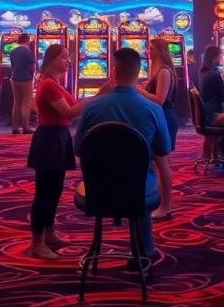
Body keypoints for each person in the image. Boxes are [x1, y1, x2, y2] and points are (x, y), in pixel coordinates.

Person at [74, 48, 171, 269]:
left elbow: (78, 148)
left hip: (96, 186)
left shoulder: (92, 107)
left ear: (114, 71)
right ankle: (145, 248)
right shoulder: (153, 109)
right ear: (140, 73)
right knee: (141, 177)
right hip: (139, 188)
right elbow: (163, 149)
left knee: (133, 177)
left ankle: (100, 247)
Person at [27, 43, 91, 259]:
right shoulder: (48, 85)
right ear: (52, 59)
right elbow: (70, 111)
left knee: (54, 190)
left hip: (59, 137)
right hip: (49, 139)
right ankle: (36, 243)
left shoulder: (55, 82)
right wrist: (99, 95)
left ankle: (49, 234)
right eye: (64, 57)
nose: (69, 61)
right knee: (44, 193)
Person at [137, 38, 178, 220]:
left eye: (152, 48)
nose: (148, 51)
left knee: (162, 163)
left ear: (161, 51)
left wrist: (139, 91)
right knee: (158, 163)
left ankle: (166, 206)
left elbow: (160, 100)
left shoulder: (163, 71)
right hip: (158, 117)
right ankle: (161, 202)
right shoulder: (157, 70)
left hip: (164, 118)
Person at [197, 45, 224, 159]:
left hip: (206, 112)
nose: (221, 58)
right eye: (220, 55)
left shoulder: (203, 72)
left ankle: (212, 156)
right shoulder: (214, 75)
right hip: (213, 114)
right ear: (215, 57)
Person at [9, 33, 37, 134]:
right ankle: (26, 127)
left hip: (14, 79)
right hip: (26, 80)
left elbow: (12, 66)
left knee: (16, 103)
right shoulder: (27, 52)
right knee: (26, 104)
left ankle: (15, 127)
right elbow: (33, 67)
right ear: (27, 41)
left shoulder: (13, 52)